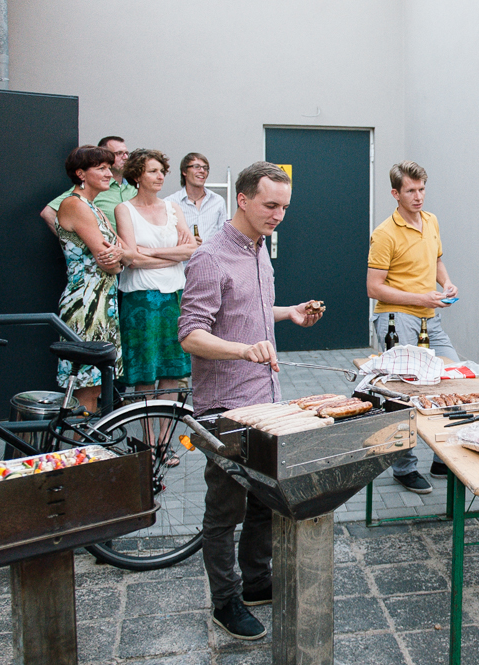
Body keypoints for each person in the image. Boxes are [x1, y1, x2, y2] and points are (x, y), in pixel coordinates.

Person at [178, 162, 324, 640]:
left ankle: (257, 582)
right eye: (270, 205)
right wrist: (244, 350)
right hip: (223, 408)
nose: (279, 215)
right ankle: (225, 603)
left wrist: (290, 314)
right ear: (242, 199)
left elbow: (250, 313)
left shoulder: (260, 250)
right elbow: (191, 335)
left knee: (265, 499)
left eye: (284, 207)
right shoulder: (210, 258)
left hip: (266, 398)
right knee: (225, 511)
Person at [367, 160, 459, 494]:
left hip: (429, 317)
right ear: (396, 193)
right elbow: (374, 288)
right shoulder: (384, 233)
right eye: (411, 191)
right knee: (404, 395)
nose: (418, 196)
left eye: (422, 189)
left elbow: (436, 260)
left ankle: (441, 457)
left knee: (452, 380)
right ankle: (404, 467)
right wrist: (420, 298)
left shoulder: (431, 221)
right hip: (397, 319)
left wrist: (447, 283)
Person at [115, 150, 198, 462]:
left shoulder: (172, 207)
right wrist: (168, 252)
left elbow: (190, 249)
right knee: (145, 374)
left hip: (173, 296)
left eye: (162, 171)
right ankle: (148, 444)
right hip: (141, 299)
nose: (160, 176)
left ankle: (164, 442)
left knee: (172, 373)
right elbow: (129, 258)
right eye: (152, 171)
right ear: (138, 176)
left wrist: (149, 252)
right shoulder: (125, 209)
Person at [53, 145, 126, 413]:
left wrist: (119, 258)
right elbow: (109, 259)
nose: (109, 173)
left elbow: (123, 254)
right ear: (80, 173)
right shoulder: (75, 204)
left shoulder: (94, 207)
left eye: (109, 167)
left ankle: (89, 448)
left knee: (96, 387)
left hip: (101, 301)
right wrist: (119, 259)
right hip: (86, 304)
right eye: (101, 168)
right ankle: (83, 451)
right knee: (86, 387)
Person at [41, 136, 136, 235]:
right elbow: (48, 213)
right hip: (104, 248)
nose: (125, 158)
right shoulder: (92, 187)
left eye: (126, 153)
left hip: (131, 247)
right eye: (119, 153)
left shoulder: (134, 185)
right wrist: (74, 243)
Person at [165, 152, 228, 243]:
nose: (202, 171)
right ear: (184, 171)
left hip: (211, 256)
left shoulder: (218, 201)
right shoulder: (170, 202)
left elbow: (224, 236)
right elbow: (164, 239)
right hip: (184, 256)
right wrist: (186, 242)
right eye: (196, 167)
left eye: (205, 168)